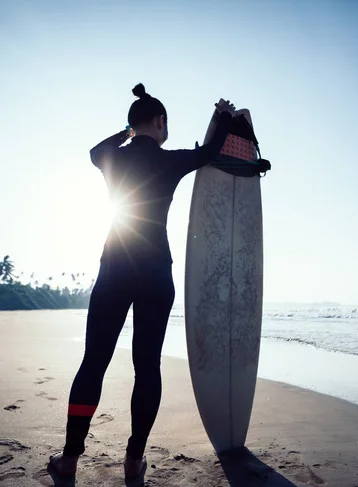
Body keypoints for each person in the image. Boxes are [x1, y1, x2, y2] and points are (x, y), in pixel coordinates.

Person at [47, 83, 235, 484]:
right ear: (161, 122)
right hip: (155, 273)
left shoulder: (111, 157)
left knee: (93, 363)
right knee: (146, 366)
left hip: (115, 268)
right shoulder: (171, 161)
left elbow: (94, 151)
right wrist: (221, 117)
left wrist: (128, 133)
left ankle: (69, 459)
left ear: (134, 124)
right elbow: (209, 153)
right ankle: (134, 460)